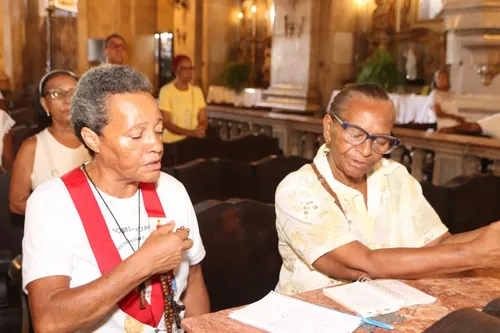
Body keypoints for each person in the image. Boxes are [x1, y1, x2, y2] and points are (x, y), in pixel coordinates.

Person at [22, 65, 210, 333]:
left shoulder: (172, 190)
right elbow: (49, 321)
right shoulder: (52, 203)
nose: (156, 145)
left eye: (158, 131)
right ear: (92, 139)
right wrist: (143, 264)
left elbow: (193, 282)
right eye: (136, 136)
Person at [275, 83, 500, 295]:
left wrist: (490, 235)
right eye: (355, 134)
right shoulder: (297, 189)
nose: (365, 151)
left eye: (380, 140)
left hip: (386, 310)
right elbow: (365, 264)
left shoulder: (394, 176)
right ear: (328, 127)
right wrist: (473, 254)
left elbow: (438, 245)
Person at [9, 70, 90, 215]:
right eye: (57, 94)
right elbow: (17, 203)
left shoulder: (99, 140)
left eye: (74, 92)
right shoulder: (32, 147)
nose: (68, 100)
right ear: (44, 104)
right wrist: (58, 213)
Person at [159, 55, 208, 143]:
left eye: (190, 68)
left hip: (193, 141)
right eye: (184, 68)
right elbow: (166, 122)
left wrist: (201, 128)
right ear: (176, 70)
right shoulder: (166, 91)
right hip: (172, 143)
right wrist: (190, 133)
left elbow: (203, 118)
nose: (188, 72)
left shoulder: (197, 91)